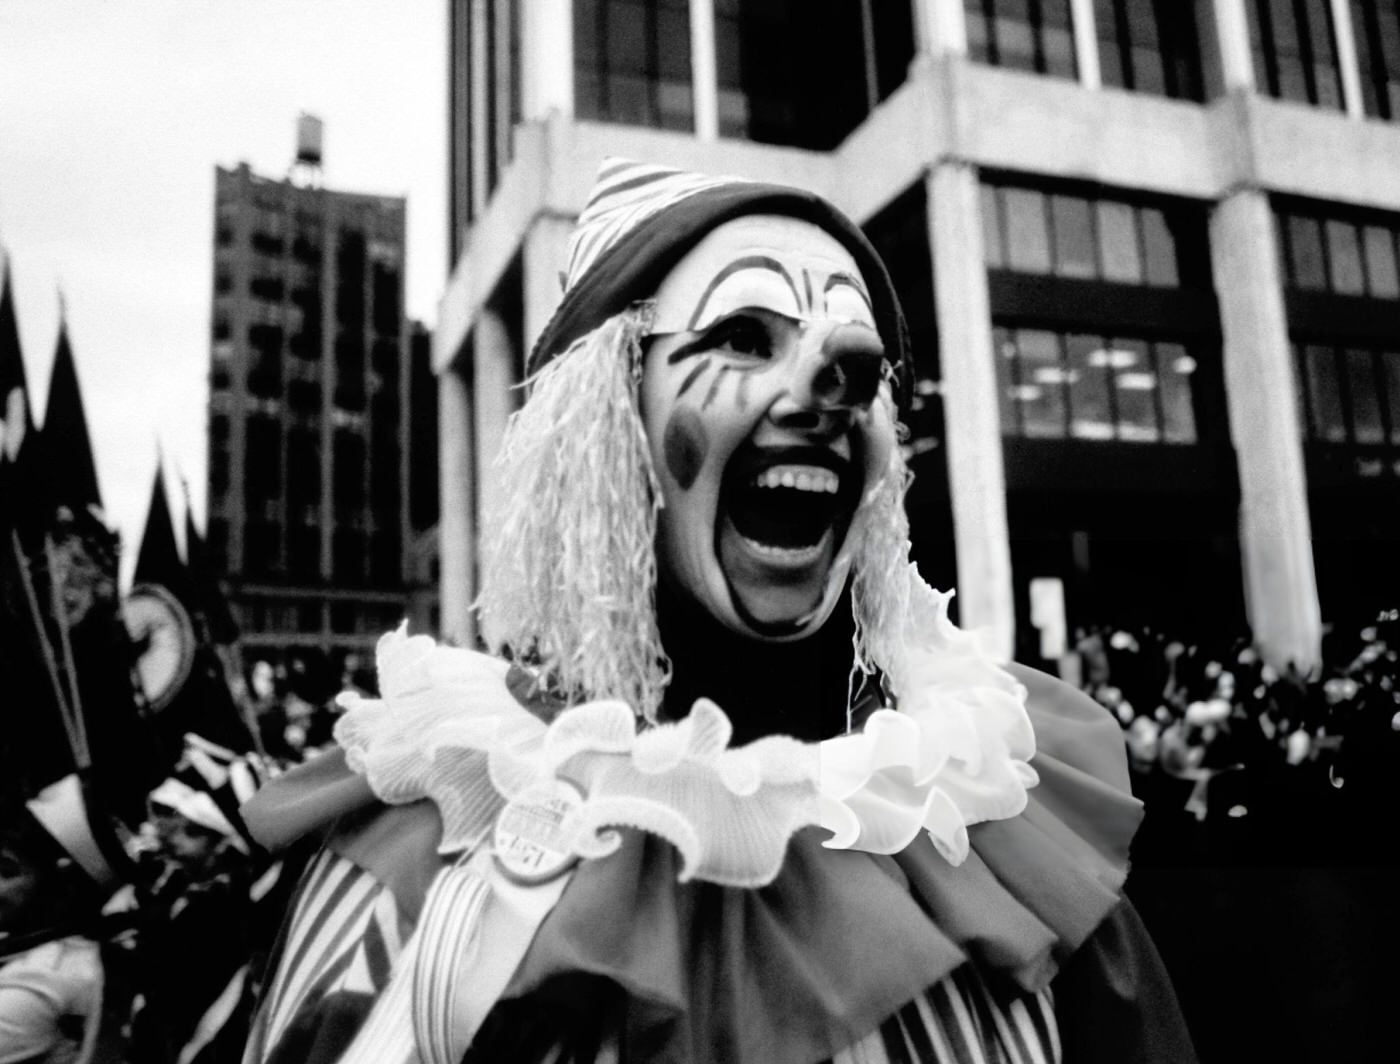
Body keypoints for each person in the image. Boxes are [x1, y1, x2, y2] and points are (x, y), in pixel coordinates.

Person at [240, 159, 1194, 1064]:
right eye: (744, 335)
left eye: (854, 350)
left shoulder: (985, 820)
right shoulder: (423, 855)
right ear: (609, 414)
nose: (844, 371)